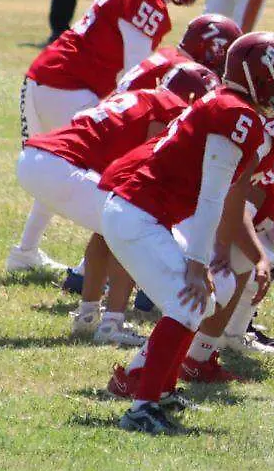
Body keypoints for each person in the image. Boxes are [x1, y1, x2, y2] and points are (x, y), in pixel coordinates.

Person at [99, 33, 274, 434]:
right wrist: (195, 262)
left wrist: (208, 257)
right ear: (259, 76)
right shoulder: (236, 114)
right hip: (137, 214)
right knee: (188, 301)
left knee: (210, 292)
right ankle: (141, 407)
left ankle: (160, 389)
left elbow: (216, 198)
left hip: (146, 214)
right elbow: (211, 197)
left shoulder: (231, 106)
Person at [7, 0, 205, 274]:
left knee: (60, 161)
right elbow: (137, 73)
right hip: (70, 86)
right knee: (115, 181)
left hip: (43, 79)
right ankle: (88, 273)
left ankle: (25, 253)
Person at [17, 62, 217, 347]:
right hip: (62, 164)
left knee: (109, 227)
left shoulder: (143, 96)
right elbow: (154, 160)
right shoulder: (171, 109)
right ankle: (112, 323)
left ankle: (87, 316)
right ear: (195, 98)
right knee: (129, 223)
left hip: (38, 158)